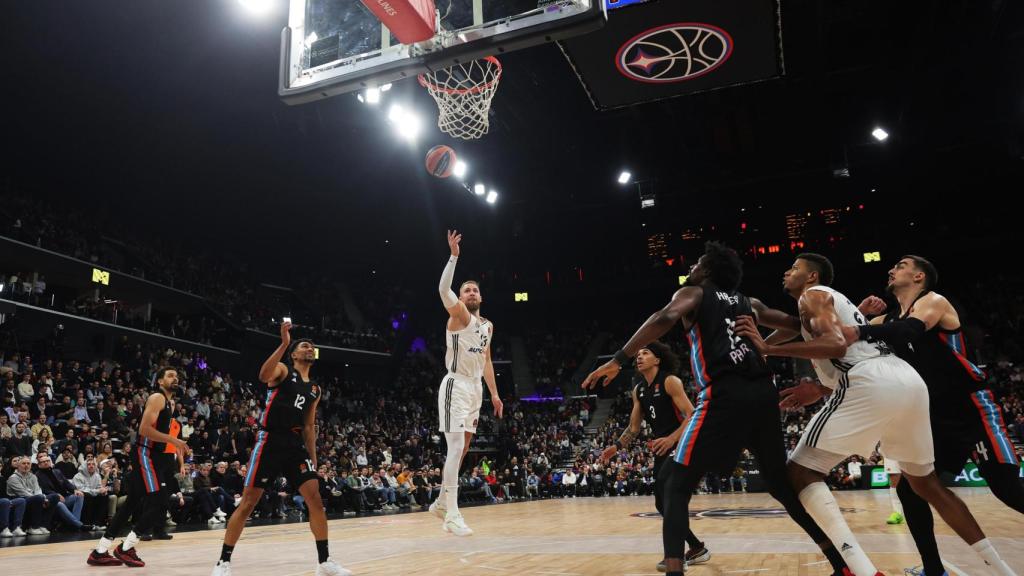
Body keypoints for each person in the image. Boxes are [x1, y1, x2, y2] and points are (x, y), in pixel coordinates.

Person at [735, 253, 1015, 576]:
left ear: (812, 277)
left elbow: (838, 344)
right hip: (910, 385)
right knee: (924, 486)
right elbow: (790, 326)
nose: (786, 272)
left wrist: (769, 350)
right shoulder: (825, 306)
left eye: (794, 268)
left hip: (896, 386)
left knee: (799, 473)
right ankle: (1000, 571)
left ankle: (861, 570)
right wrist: (766, 342)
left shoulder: (814, 296)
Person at [584, 242, 852, 576]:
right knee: (780, 486)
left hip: (725, 395)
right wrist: (767, 344)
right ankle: (840, 564)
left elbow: (664, 317)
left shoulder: (694, 293)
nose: (692, 267)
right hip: (764, 395)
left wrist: (618, 360)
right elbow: (797, 325)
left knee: (674, 486)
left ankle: (676, 567)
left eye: (697, 262)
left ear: (708, 270)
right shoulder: (748, 303)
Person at [844, 255, 1024, 575]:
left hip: (971, 408)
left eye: (900, 266)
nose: (891, 269)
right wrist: (859, 313)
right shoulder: (888, 319)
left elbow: (908, 331)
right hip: (935, 418)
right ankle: (933, 570)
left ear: (919, 277)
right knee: (911, 491)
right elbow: (842, 337)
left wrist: (861, 329)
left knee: (1006, 487)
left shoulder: (933, 301)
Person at [211, 322, 349, 576]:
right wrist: (284, 343)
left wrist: (314, 460)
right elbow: (263, 375)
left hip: (295, 446)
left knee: (316, 500)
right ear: (295, 354)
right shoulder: (284, 370)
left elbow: (309, 426)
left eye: (312, 346)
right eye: (304, 346)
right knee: (249, 502)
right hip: (270, 441)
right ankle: (223, 562)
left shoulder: (315, 389)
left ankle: (324, 562)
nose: (310, 348)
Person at [429, 230, 503, 537]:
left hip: (476, 389)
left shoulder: (488, 325)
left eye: (475, 290)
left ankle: (441, 503)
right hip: (455, 385)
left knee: (463, 449)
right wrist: (453, 256)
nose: (471, 293)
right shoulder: (459, 316)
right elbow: (442, 287)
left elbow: (486, 361)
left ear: (481, 297)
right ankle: (452, 514)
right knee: (456, 445)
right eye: (466, 290)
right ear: (461, 299)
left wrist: (495, 395)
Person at [87, 368, 188, 567]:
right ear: (159, 381)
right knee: (160, 502)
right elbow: (144, 429)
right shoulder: (158, 397)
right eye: (169, 375)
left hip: (153, 456)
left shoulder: (168, 403)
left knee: (132, 502)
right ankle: (126, 547)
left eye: (176, 376)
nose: (175, 378)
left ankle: (100, 551)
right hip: (146, 454)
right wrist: (175, 441)